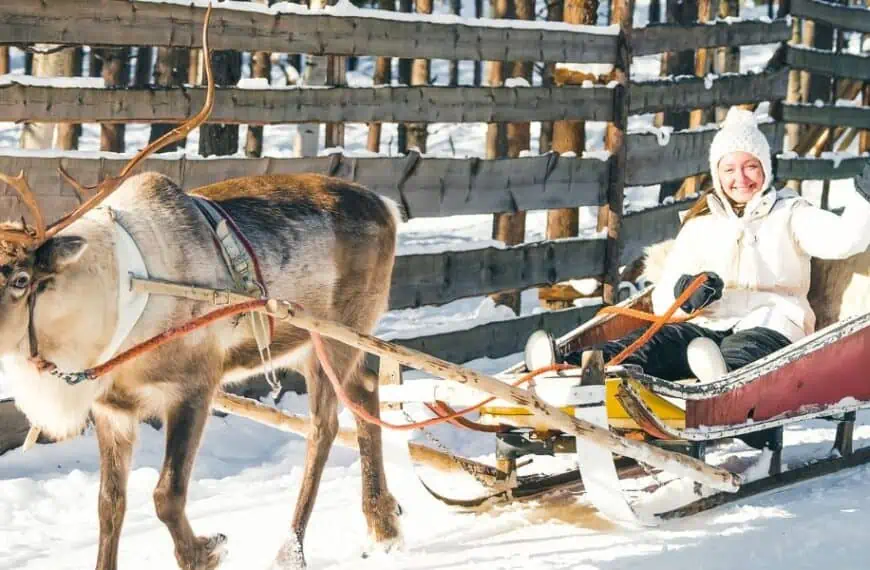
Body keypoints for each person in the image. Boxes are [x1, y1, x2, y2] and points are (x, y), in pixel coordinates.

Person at [527, 107, 870, 384]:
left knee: (746, 349)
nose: (741, 179)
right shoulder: (701, 223)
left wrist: (865, 196)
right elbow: (662, 298)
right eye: (730, 169)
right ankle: (574, 365)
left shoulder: (791, 213)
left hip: (773, 321)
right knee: (655, 344)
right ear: (717, 174)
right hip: (706, 323)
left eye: (751, 167)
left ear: (765, 168)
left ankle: (722, 381)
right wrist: (684, 293)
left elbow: (845, 240)